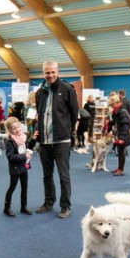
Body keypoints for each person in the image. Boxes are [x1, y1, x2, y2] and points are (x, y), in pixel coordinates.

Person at [33, 60, 78, 219]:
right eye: (47, 72)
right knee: (47, 175)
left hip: (61, 141)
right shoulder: (40, 92)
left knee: (63, 175)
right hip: (44, 141)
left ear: (57, 72)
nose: (50, 75)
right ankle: (48, 202)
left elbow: (74, 114)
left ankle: (65, 206)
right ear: (43, 73)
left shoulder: (67, 89)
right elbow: (40, 114)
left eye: (52, 72)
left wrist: (68, 132)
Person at [3, 117, 33, 217]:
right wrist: (24, 156)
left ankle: (23, 207)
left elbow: (28, 147)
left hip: (24, 166)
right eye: (14, 129)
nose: (17, 130)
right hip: (15, 168)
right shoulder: (9, 141)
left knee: (25, 187)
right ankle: (6, 208)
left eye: (18, 127)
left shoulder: (23, 136)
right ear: (9, 130)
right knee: (12, 187)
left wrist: (33, 140)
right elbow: (10, 156)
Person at [111, 98, 130, 177]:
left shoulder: (122, 111)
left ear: (117, 103)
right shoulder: (116, 111)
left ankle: (121, 170)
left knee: (122, 152)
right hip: (119, 133)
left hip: (123, 135)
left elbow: (125, 125)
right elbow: (116, 122)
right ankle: (119, 168)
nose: (111, 107)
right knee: (120, 151)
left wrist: (122, 138)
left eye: (112, 105)